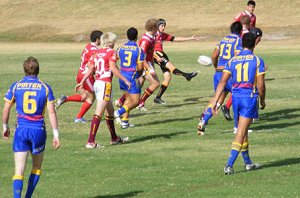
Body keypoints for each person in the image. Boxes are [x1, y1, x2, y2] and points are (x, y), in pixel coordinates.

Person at [2, 57, 60, 197]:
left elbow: (6, 109)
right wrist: (56, 134)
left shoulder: (16, 85)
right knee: (36, 167)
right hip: (38, 131)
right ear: (38, 70)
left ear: (24, 69)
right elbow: (52, 111)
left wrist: (5, 126)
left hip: (21, 130)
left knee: (18, 170)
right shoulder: (45, 87)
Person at [211, 33, 266, 174]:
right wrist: (263, 100)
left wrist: (215, 102)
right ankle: (229, 165)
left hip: (235, 99)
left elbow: (222, 82)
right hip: (249, 98)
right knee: (241, 132)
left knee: (243, 130)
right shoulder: (257, 60)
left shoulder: (232, 60)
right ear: (254, 43)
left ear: (242, 44)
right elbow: (260, 85)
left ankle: (248, 162)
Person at [75, 32, 131, 148]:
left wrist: (82, 81)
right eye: (114, 42)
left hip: (97, 83)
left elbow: (90, 69)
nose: (114, 44)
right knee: (98, 113)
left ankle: (114, 138)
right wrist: (125, 80)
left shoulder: (96, 52)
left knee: (110, 112)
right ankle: (90, 142)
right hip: (105, 84)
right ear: (110, 42)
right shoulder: (111, 52)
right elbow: (113, 68)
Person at [197, 21, 243, 135]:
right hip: (229, 74)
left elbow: (213, 56)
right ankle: (237, 128)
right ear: (241, 31)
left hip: (218, 73)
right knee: (238, 97)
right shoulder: (238, 40)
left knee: (217, 100)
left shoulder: (223, 40)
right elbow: (237, 56)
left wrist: (216, 67)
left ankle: (203, 120)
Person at [55, 30, 103, 123]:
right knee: (91, 98)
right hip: (86, 75)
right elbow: (91, 65)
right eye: (101, 39)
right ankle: (79, 117)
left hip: (80, 73)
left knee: (85, 96)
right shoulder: (95, 50)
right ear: (97, 39)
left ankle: (65, 98)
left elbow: (82, 58)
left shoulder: (88, 46)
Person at [153, 18, 199, 104]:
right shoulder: (153, 35)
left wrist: (190, 38)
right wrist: (155, 56)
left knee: (167, 77)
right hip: (157, 54)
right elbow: (148, 48)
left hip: (162, 54)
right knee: (171, 67)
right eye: (162, 25)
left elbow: (175, 38)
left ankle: (158, 98)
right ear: (157, 26)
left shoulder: (162, 35)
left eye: (164, 26)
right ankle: (186, 75)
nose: (163, 27)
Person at [220, 15, 251, 121]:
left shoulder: (232, 36)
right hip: (240, 63)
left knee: (225, 90)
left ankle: (208, 113)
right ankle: (242, 116)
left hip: (224, 67)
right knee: (243, 88)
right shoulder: (245, 34)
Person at [114, 27, 144, 129]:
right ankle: (118, 112)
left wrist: (118, 70)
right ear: (136, 36)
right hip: (132, 77)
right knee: (135, 101)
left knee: (128, 99)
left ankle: (125, 122)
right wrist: (139, 74)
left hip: (122, 76)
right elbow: (140, 67)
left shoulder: (120, 48)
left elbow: (113, 61)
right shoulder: (139, 49)